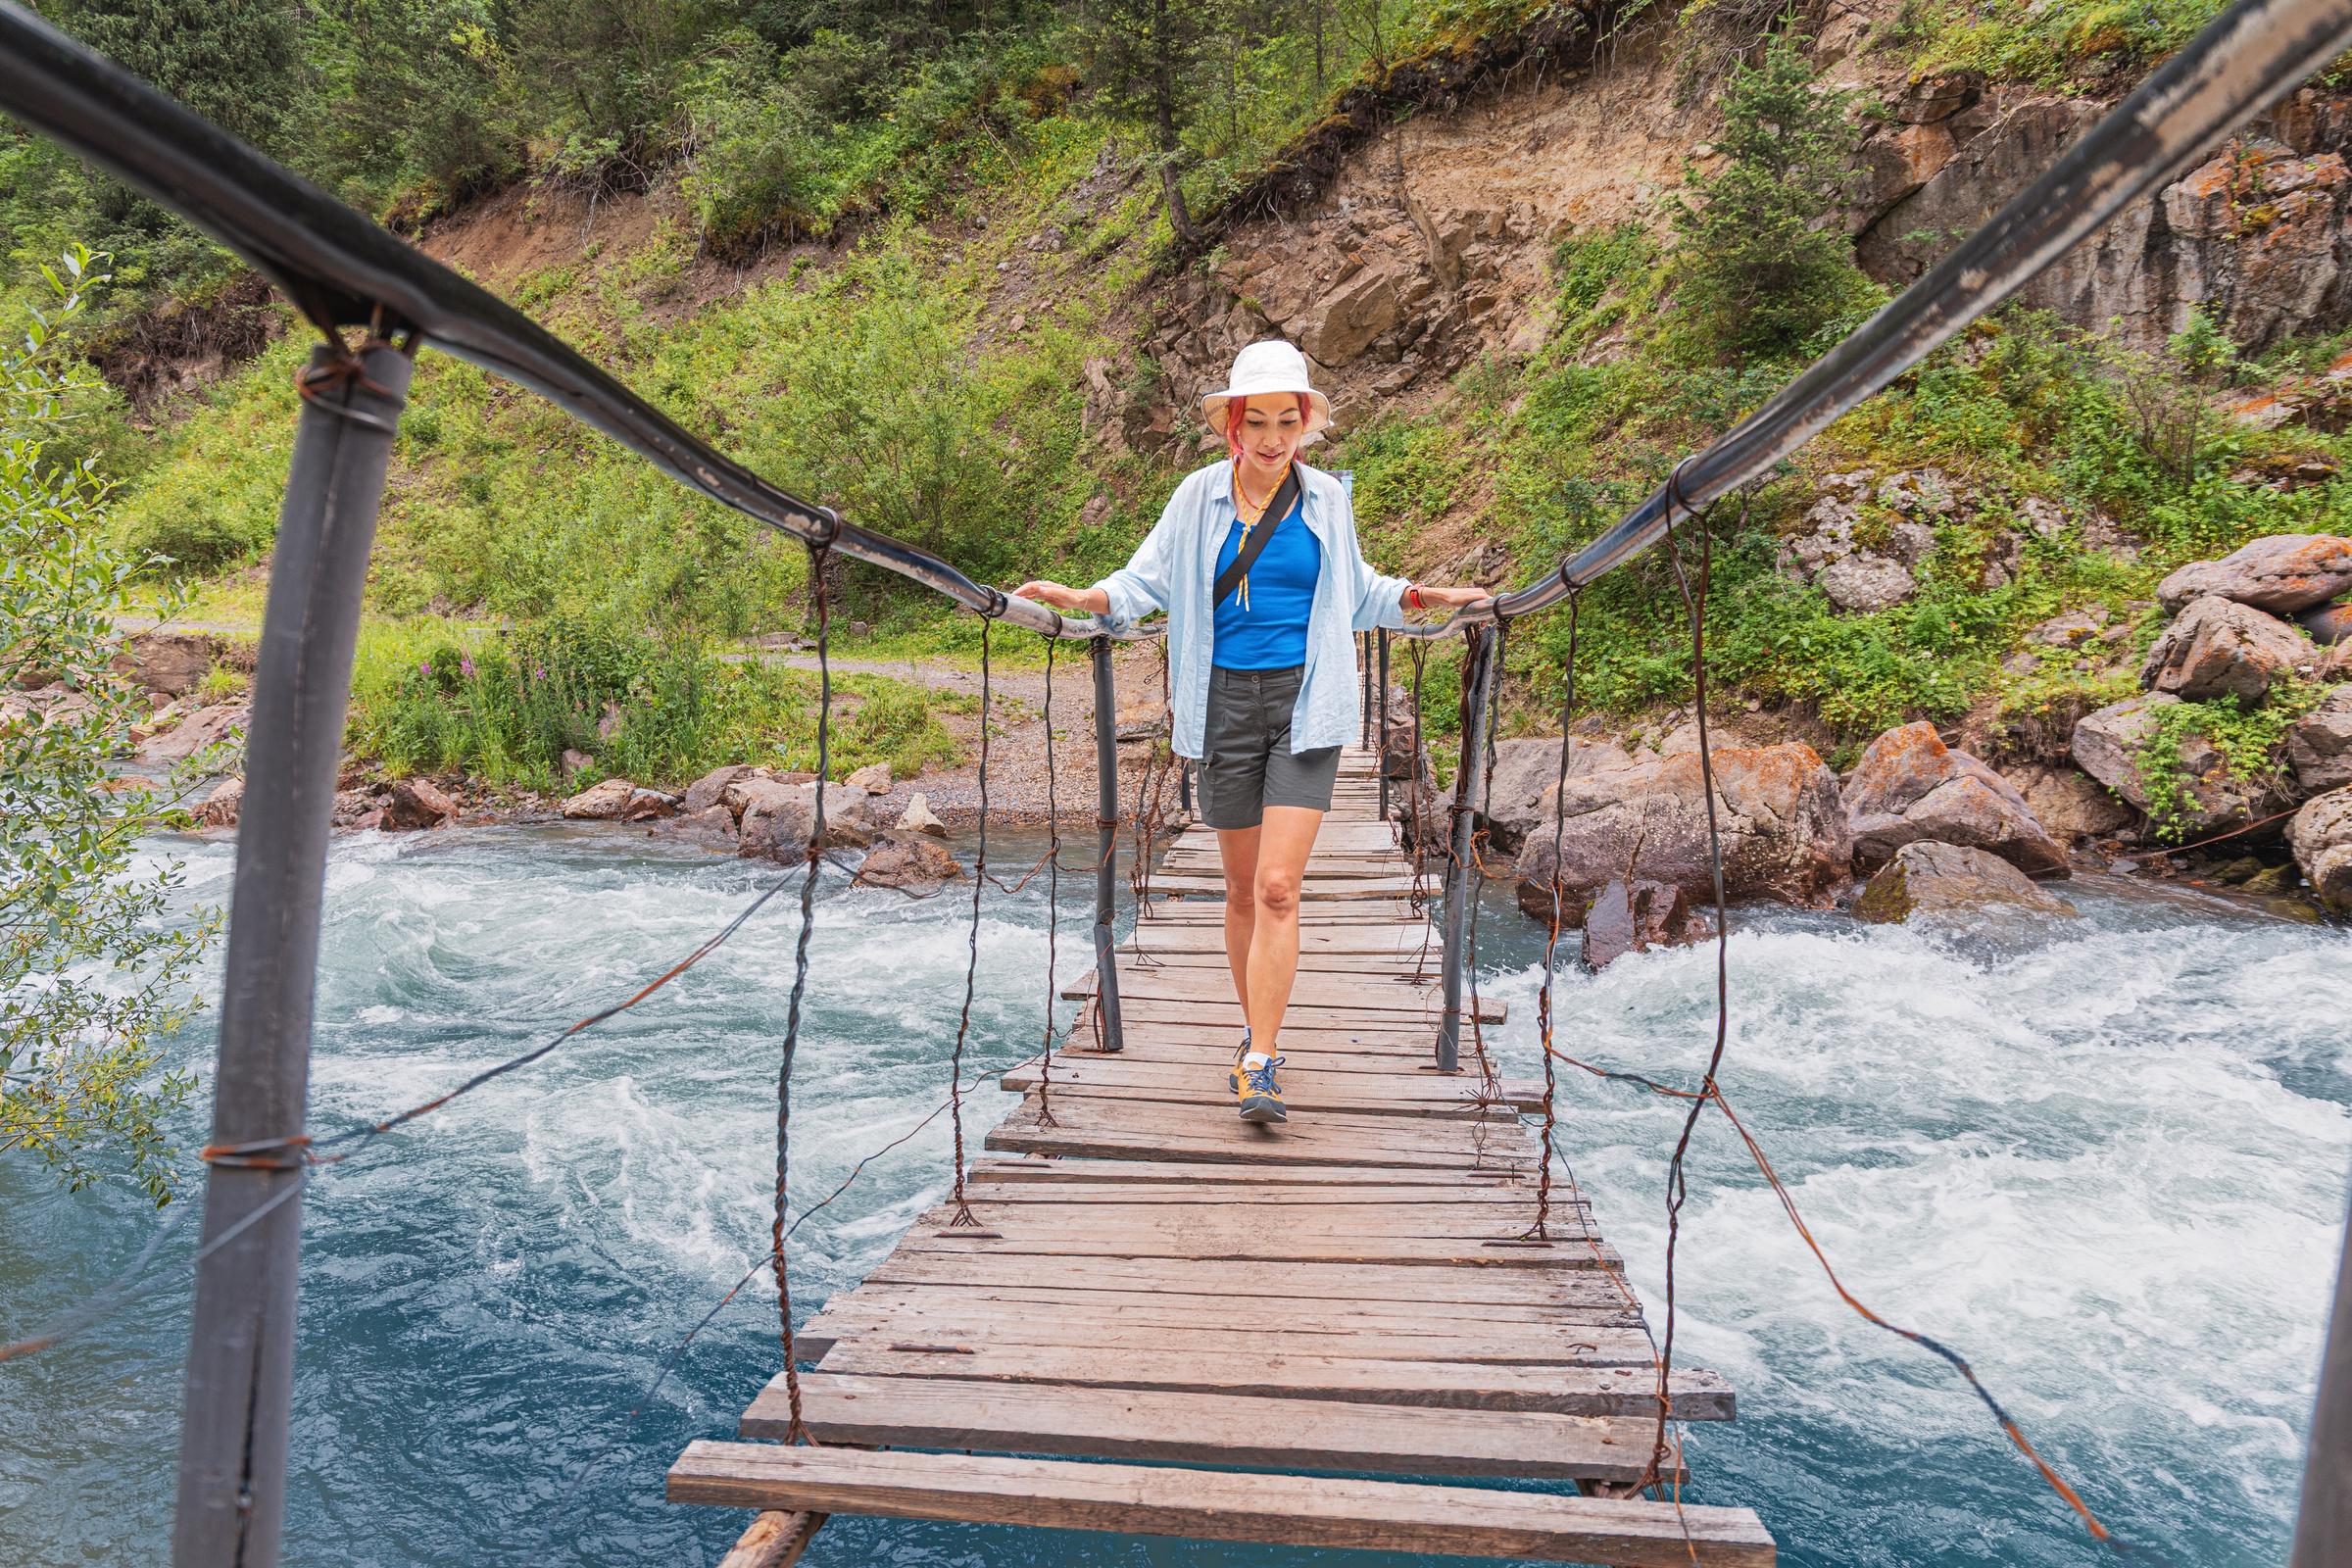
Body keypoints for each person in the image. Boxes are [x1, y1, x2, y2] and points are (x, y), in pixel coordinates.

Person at [1013, 338, 1487, 1123]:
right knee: (1238, 890)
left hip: (1308, 705)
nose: (1272, 439)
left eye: (1287, 422)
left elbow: (1355, 589)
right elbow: (1145, 581)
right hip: (1223, 704)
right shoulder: (1197, 496)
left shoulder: (1328, 499)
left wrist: (1423, 597)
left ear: (1305, 425)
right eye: (1257, 421)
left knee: (1276, 886)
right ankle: (1250, 1029)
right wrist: (1080, 597)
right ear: (1233, 424)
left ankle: (1263, 1057)